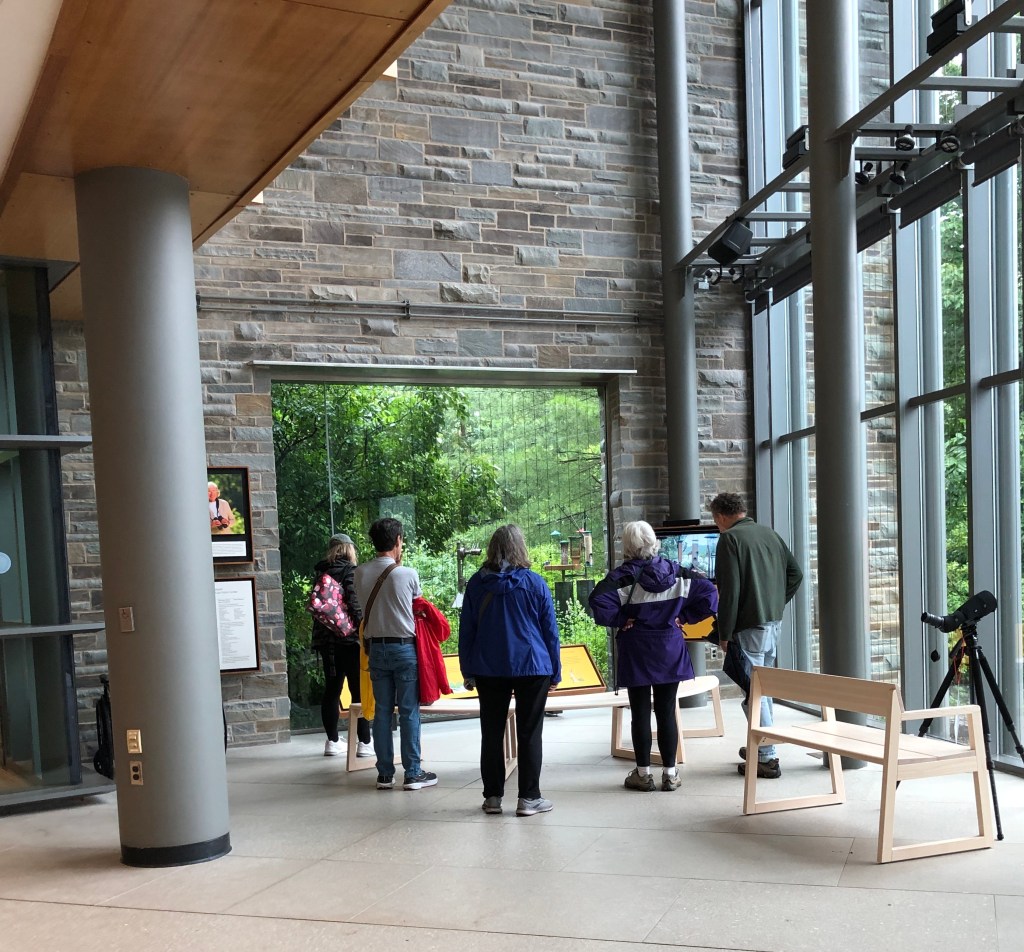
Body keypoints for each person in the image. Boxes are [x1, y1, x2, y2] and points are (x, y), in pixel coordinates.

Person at [589, 520, 718, 792]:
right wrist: (685, 617)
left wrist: (621, 619)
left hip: (637, 650)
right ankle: (670, 774)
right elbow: (709, 593)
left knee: (639, 713)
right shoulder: (677, 572)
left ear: (627, 546)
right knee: (666, 710)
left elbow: (597, 601)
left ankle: (643, 774)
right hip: (669, 649)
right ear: (654, 543)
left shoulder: (621, 578)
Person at [459, 524, 561, 817]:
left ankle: (492, 797)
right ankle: (529, 798)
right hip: (532, 665)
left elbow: (467, 630)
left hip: (489, 667)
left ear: (492, 549)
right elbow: (550, 631)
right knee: (530, 733)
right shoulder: (535, 583)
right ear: (521, 548)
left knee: (491, 732)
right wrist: (555, 670)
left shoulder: (476, 584)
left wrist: (468, 670)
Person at [709, 492, 804, 779]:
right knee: (763, 687)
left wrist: (724, 632)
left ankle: (767, 756)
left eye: (715, 520)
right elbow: (796, 574)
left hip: (748, 627)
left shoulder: (730, 539)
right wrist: (774, 602)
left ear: (720, 516)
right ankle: (763, 745)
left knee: (754, 691)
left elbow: (729, 592)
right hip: (772, 623)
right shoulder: (769, 533)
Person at [353, 517, 437, 791]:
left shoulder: (360, 572)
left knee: (382, 712)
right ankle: (412, 773)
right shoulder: (407, 574)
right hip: (404, 648)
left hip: (376, 649)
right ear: (398, 540)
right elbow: (417, 607)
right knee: (409, 711)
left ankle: (385, 775)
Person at [311, 533, 371, 759]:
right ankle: (364, 742)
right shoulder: (350, 571)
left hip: (326, 642)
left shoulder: (321, 572)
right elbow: (355, 603)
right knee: (358, 690)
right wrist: (364, 629)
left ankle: (332, 741)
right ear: (349, 549)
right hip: (349, 640)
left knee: (332, 690)